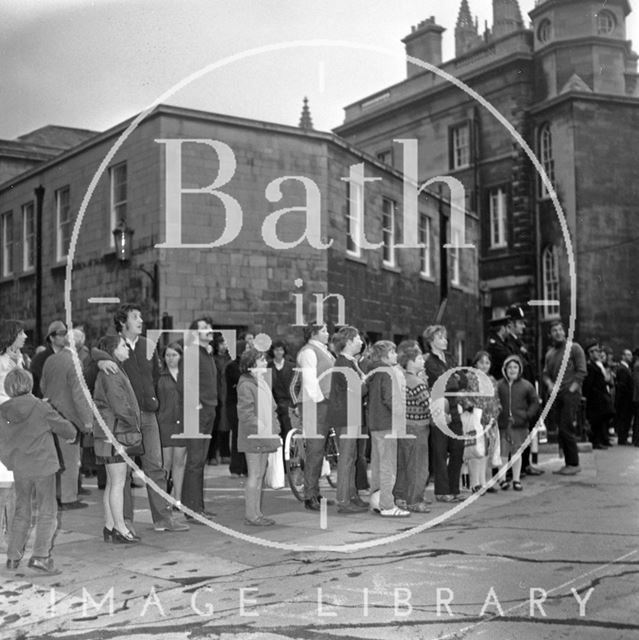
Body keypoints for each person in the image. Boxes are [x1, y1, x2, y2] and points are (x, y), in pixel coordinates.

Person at [93, 304, 188, 532]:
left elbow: (155, 374)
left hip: (147, 415)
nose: (141, 320)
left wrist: (152, 399)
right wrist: (100, 359)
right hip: (124, 419)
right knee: (122, 472)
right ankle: (124, 521)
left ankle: (163, 520)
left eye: (141, 316)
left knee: (156, 467)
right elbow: (91, 355)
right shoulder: (112, 345)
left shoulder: (148, 345)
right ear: (123, 322)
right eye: (136, 317)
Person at [0, 368, 76, 574]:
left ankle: (13, 557)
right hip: (43, 466)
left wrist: (10, 461)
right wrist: (71, 435)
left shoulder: (3, 411)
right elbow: (66, 428)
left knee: (21, 512)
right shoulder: (40, 407)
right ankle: (41, 556)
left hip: (20, 468)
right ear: (29, 384)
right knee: (47, 511)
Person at [93, 335, 142, 544]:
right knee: (119, 483)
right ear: (113, 350)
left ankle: (110, 526)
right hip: (116, 433)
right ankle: (120, 528)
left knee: (113, 482)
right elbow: (120, 404)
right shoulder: (112, 372)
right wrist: (134, 424)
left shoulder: (110, 369)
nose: (128, 349)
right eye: (123, 346)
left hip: (108, 433)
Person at [40, 329, 94, 510]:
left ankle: (57, 495)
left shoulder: (50, 360)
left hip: (51, 413)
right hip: (70, 416)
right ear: (77, 344)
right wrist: (87, 420)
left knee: (57, 458)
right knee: (70, 460)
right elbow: (78, 394)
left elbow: (42, 385)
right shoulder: (74, 361)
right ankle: (68, 498)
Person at [326, 326, 368, 514]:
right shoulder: (344, 364)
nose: (361, 341)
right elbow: (359, 389)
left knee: (351, 458)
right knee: (346, 458)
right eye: (358, 338)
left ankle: (351, 494)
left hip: (350, 414)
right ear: (349, 341)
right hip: (345, 416)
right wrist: (369, 381)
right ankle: (343, 499)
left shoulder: (348, 362)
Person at [237, 347, 280, 526]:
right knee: (255, 474)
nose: (265, 362)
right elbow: (245, 414)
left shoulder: (260, 381)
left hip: (263, 435)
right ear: (252, 364)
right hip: (254, 436)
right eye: (261, 360)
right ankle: (252, 515)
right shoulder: (247, 385)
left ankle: (256, 513)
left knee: (259, 474)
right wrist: (263, 427)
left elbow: (273, 408)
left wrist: (274, 428)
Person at [366, 340, 409, 517]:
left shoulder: (374, 371)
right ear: (384, 355)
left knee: (377, 464)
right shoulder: (388, 371)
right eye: (392, 352)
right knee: (388, 466)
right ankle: (387, 505)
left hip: (376, 423)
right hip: (387, 423)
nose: (396, 355)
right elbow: (390, 398)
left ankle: (376, 500)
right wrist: (401, 414)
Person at [296, 323, 335, 511]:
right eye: (324, 331)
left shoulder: (322, 350)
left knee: (319, 451)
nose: (328, 334)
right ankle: (309, 495)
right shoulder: (309, 352)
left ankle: (315, 492)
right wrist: (322, 402)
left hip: (323, 403)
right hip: (315, 404)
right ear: (314, 333)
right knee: (315, 450)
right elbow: (310, 382)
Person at [181, 317, 217, 522]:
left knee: (199, 461)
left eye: (209, 327)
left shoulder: (205, 352)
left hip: (208, 410)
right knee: (195, 461)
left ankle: (196, 507)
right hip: (199, 412)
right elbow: (187, 382)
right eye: (204, 328)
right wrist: (196, 405)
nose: (209, 330)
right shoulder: (193, 353)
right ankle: (192, 509)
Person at [423, 325, 464, 503]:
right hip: (440, 407)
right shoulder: (429, 361)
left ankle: (454, 488)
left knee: (458, 448)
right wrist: (452, 379)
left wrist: (453, 379)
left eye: (445, 337)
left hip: (454, 406)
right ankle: (442, 490)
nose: (445, 340)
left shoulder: (450, 358)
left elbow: (462, 379)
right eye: (441, 337)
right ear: (431, 341)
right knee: (440, 450)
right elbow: (444, 383)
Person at [542, 320, 586, 475]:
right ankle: (568, 463)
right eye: (554, 330)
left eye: (560, 329)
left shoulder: (574, 348)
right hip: (557, 396)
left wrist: (572, 390)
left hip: (570, 394)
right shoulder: (550, 353)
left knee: (566, 427)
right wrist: (549, 384)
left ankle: (574, 464)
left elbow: (581, 371)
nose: (558, 333)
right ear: (550, 335)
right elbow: (546, 374)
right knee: (561, 428)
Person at [504, 305, 543, 476]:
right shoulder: (509, 344)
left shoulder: (518, 343)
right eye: (520, 323)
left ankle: (525, 464)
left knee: (527, 428)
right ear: (511, 324)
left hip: (526, 391)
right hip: (518, 391)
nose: (523, 326)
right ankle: (518, 468)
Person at [393, 340, 431, 513]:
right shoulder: (417, 382)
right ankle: (414, 500)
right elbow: (429, 406)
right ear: (411, 361)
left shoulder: (403, 379)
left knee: (403, 464)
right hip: (418, 427)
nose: (423, 361)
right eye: (420, 359)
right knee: (418, 466)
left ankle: (400, 496)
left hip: (403, 425)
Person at [496, 355, 540, 491]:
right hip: (503, 424)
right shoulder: (499, 385)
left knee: (516, 453)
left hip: (520, 425)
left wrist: (527, 415)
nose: (512, 370)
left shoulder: (526, 385)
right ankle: (502, 479)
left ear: (520, 369)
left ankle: (516, 479)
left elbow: (535, 401)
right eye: (509, 367)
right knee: (503, 453)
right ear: (505, 369)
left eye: (515, 367)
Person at [156, 342, 187, 505]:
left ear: (181, 356)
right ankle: (163, 499)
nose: (170, 358)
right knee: (166, 463)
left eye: (174, 355)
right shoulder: (160, 376)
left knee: (180, 462)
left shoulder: (187, 375)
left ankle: (178, 499)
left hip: (182, 424)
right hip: (165, 423)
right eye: (168, 355)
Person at [470, 351, 501, 492]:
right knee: (476, 451)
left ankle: (485, 481)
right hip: (476, 418)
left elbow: (496, 399)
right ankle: (474, 483)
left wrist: (496, 412)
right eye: (481, 362)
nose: (484, 365)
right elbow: (466, 396)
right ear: (476, 363)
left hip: (490, 419)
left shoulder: (492, 380)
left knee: (487, 451)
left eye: (487, 363)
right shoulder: (470, 378)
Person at [582, 340, 614, 450]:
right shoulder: (590, 367)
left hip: (601, 397)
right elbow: (589, 384)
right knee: (596, 421)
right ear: (590, 353)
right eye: (595, 351)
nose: (598, 353)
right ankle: (596, 441)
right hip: (595, 399)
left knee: (601, 420)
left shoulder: (597, 365)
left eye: (598, 350)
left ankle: (601, 440)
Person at [208, 332, 231, 465]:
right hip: (215, 394)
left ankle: (225, 453)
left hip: (226, 395)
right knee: (214, 426)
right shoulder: (213, 359)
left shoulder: (229, 359)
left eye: (225, 343)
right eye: (221, 343)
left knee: (225, 426)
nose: (223, 346)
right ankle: (211, 455)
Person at [267, 339, 295, 449]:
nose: (278, 352)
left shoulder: (291, 366)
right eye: (276, 350)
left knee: (288, 434)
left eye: (281, 350)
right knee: (275, 434)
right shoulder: (268, 366)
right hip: (273, 404)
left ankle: (287, 461)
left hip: (288, 404)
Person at [226, 339, 248, 477]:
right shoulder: (232, 366)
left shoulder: (247, 365)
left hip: (245, 404)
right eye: (246, 348)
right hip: (235, 405)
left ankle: (245, 467)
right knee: (237, 436)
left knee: (245, 436)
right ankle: (236, 467)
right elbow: (241, 380)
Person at [30, 320, 67, 398]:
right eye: (61, 334)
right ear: (52, 338)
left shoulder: (70, 357)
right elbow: (35, 387)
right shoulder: (39, 359)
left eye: (65, 334)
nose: (65, 337)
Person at [0, 320, 27, 406]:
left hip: (19, 409)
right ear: (11, 336)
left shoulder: (20, 358)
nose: (25, 336)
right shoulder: (1, 360)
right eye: (21, 333)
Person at [615, 349, 635, 445]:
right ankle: (622, 438)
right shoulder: (622, 369)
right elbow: (622, 385)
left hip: (626, 398)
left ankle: (623, 437)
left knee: (626, 418)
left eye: (630, 355)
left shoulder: (626, 368)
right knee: (624, 418)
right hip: (624, 399)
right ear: (623, 356)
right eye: (628, 355)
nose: (630, 357)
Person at [485, 313, 511, 380]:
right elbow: (508, 357)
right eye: (508, 327)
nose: (509, 331)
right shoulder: (494, 345)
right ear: (502, 328)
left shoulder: (503, 343)